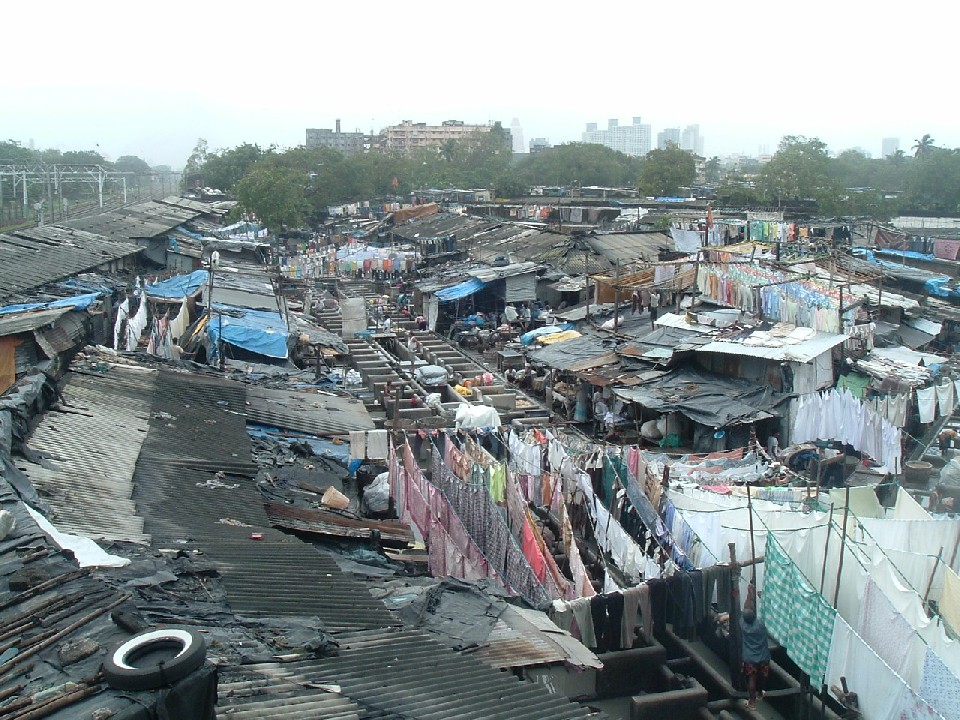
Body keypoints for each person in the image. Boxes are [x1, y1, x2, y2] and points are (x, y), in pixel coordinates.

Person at [739, 605, 771, 709]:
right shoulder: (761, 625)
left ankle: (752, 702)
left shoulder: (743, 625)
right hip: (763, 657)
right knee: (763, 677)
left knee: (751, 679)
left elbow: (744, 608)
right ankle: (760, 693)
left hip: (750, 658)